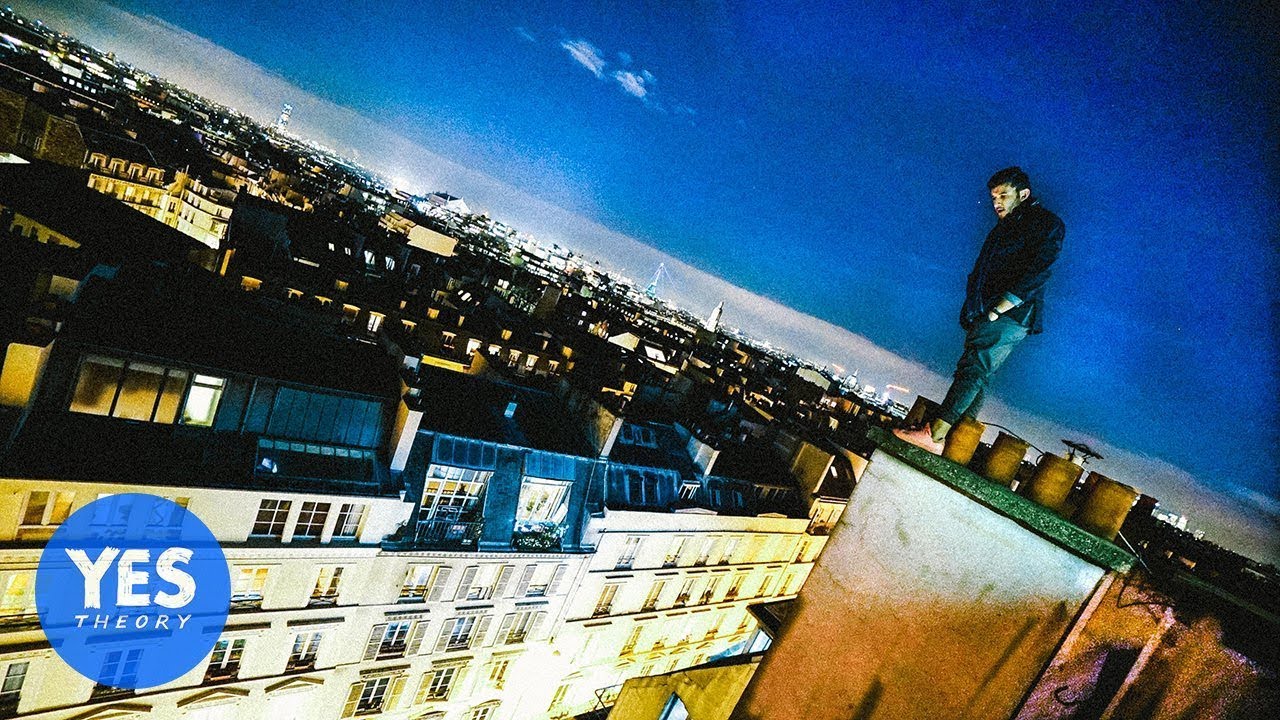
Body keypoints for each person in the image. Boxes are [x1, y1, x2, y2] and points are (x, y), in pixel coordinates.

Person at [894, 166, 1065, 453]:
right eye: (993, 197)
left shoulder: (1045, 223)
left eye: (1003, 195)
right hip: (990, 312)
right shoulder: (1005, 227)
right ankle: (955, 441)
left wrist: (1001, 307)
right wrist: (973, 310)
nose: (996, 202)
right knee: (975, 373)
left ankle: (936, 435)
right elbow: (983, 271)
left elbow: (1040, 269)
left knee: (975, 369)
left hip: (1009, 313)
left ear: (1023, 194)